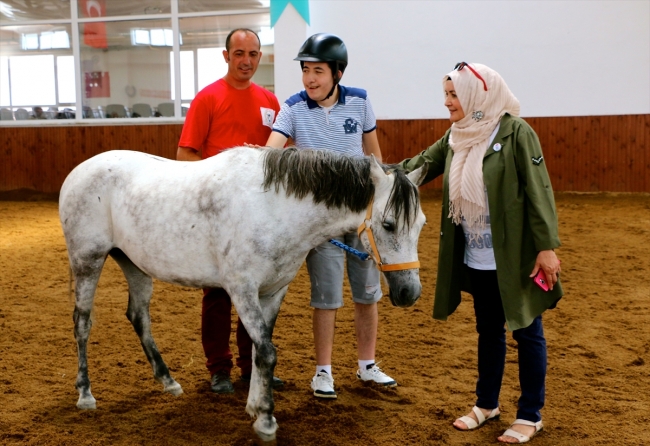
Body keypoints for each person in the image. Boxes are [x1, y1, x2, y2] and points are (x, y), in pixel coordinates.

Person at [398, 62, 563, 444]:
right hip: (477, 255)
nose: (447, 102)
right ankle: (487, 404)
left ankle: (529, 415)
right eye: (447, 94)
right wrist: (381, 176)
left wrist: (546, 248)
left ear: (477, 95)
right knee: (488, 330)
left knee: (526, 332)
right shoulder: (457, 136)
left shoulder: (516, 132)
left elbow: (539, 191)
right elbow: (421, 166)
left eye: (454, 95)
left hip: (517, 258)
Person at [263, 33, 396, 399]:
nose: (309, 79)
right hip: (322, 225)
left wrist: (379, 203)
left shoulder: (360, 101)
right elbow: (270, 155)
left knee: (368, 294)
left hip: (360, 217)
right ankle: (323, 372)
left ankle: (367, 365)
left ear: (337, 72)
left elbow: (374, 157)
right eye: (305, 70)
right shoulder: (292, 108)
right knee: (326, 297)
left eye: (317, 71)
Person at [176, 28, 283, 394]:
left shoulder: (270, 102)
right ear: (226, 56)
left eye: (253, 54)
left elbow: (281, 156)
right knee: (218, 293)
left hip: (259, 217)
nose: (246, 61)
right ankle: (219, 368)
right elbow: (185, 156)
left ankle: (252, 368)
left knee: (257, 294)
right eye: (239, 53)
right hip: (219, 217)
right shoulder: (207, 99)